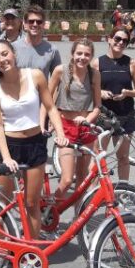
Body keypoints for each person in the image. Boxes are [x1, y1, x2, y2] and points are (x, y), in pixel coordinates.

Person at [0, 39, 67, 239]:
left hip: (34, 144)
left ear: (13, 53)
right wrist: (5, 157)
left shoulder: (35, 76)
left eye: (5, 54)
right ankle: (3, 251)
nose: (2, 59)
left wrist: (61, 133)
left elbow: (50, 107)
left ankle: (30, 250)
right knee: (3, 202)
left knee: (32, 203)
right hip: (9, 146)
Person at [50, 39, 101, 200]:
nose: (82, 57)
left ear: (91, 56)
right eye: (79, 53)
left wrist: (89, 118)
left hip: (86, 127)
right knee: (66, 179)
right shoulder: (61, 71)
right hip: (66, 127)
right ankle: (49, 212)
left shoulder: (94, 74)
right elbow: (48, 99)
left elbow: (98, 106)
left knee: (82, 178)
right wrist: (52, 120)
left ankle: (79, 219)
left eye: (87, 54)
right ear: (73, 54)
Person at [97, 27, 135, 182]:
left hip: (125, 115)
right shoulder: (97, 63)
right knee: (99, 156)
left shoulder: (131, 63)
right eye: (117, 39)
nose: (121, 43)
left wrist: (127, 93)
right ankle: (95, 192)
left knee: (123, 157)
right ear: (109, 39)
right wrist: (101, 92)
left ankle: (124, 191)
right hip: (103, 115)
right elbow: (88, 89)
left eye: (125, 40)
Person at [13, 5, 61, 79]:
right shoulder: (13, 48)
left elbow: (57, 79)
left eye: (39, 22)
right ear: (25, 24)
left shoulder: (53, 51)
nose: (35, 24)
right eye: (31, 21)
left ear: (44, 25)